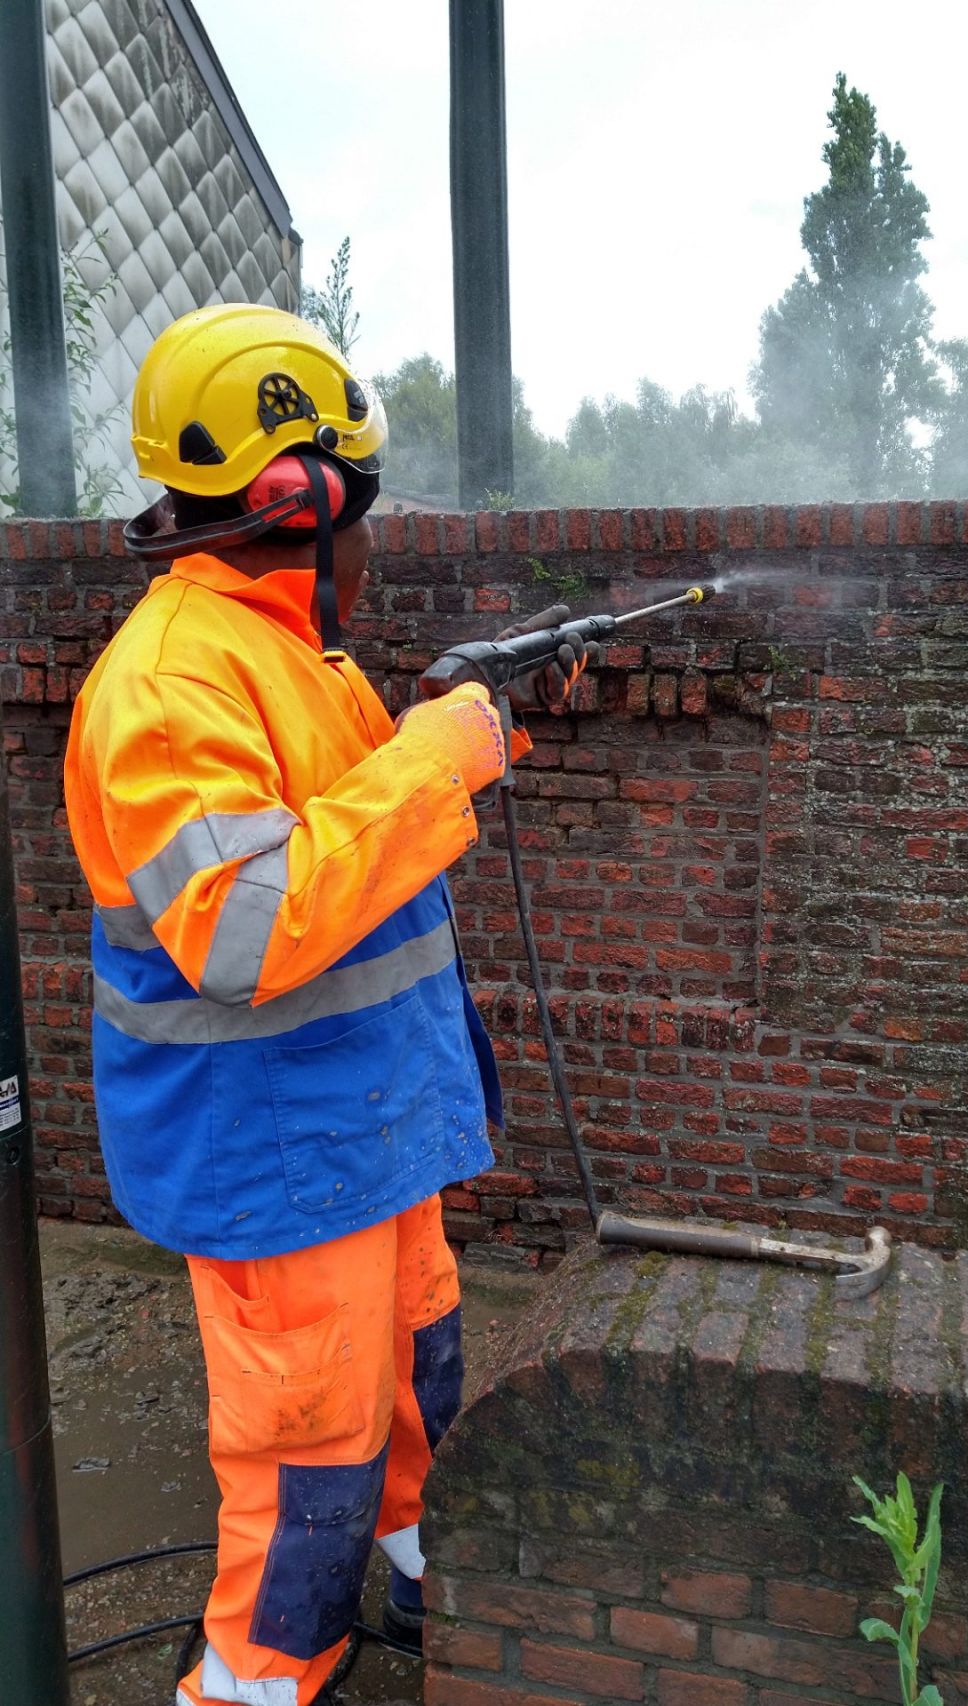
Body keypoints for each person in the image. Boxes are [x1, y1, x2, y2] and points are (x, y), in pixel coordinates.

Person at [62, 303, 588, 1706]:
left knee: (419, 1370)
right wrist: (434, 760)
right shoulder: (171, 690)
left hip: (360, 1131)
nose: (375, 537)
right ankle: (254, 1676)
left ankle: (424, 1572)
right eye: (364, 502)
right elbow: (249, 924)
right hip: (279, 1157)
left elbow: (362, 826)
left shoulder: (288, 647)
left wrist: (476, 726)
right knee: (311, 1455)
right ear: (299, 499)